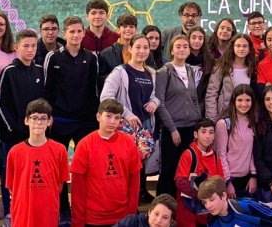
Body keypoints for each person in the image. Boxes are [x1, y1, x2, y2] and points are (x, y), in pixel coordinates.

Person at [42, 16, 100, 220]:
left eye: (79, 31)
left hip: (85, 122)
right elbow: (47, 90)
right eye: (71, 32)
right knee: (59, 170)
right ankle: (62, 209)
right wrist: (49, 118)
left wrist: (96, 117)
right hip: (60, 121)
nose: (75, 35)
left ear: (84, 33)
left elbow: (95, 89)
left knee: (87, 169)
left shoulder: (92, 58)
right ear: (64, 34)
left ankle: (84, 207)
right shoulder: (53, 57)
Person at [102, 33, 165, 204]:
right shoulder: (120, 72)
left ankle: (137, 197)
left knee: (140, 165)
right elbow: (106, 97)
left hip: (145, 125)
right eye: (138, 47)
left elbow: (156, 95)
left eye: (145, 48)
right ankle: (123, 201)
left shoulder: (151, 73)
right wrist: (127, 114)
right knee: (124, 165)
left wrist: (155, 102)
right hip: (125, 127)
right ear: (130, 49)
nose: (142, 51)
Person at [71, 99, 143, 227]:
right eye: (108, 116)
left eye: (117, 118)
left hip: (122, 217)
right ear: (98, 117)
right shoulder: (84, 145)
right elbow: (78, 188)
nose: (112, 122)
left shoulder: (129, 143)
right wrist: (78, 221)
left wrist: (130, 214)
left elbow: (135, 182)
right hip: (93, 218)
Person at [0, 29, 44, 217]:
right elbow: (0, 104)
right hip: (12, 137)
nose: (30, 49)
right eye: (26, 46)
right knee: (12, 177)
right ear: (17, 48)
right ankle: (11, 214)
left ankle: (31, 212)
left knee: (32, 177)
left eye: (33, 45)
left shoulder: (40, 71)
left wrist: (40, 128)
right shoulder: (8, 72)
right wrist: (14, 127)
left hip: (35, 137)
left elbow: (43, 103)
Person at [5, 98, 69, 227]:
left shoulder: (60, 150)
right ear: (26, 120)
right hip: (22, 215)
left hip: (48, 213)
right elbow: (12, 187)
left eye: (43, 118)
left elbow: (60, 184)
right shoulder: (15, 152)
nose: (38, 122)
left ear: (49, 121)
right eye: (34, 118)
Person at [157, 34, 203, 199]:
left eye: (185, 46)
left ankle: (181, 207)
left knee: (186, 170)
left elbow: (194, 99)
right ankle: (163, 204)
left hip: (190, 128)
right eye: (178, 46)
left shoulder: (189, 69)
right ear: (172, 50)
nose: (182, 49)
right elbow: (160, 103)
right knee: (169, 169)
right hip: (173, 129)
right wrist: (172, 128)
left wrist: (198, 123)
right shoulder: (164, 72)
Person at [198, 175, 272, 227]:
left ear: (223, 196)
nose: (208, 206)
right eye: (204, 202)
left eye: (211, 200)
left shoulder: (245, 206)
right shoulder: (212, 222)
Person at [175, 118, 223, 227]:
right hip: (188, 209)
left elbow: (220, 180)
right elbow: (180, 182)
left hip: (207, 209)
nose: (207, 136)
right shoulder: (188, 154)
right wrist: (203, 194)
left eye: (211, 132)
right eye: (203, 131)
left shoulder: (214, 155)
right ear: (195, 134)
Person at [216, 84, 260, 198]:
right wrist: (227, 182)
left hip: (247, 178)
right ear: (234, 101)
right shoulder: (224, 123)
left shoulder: (253, 121)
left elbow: (252, 151)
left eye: (247, 100)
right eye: (240, 100)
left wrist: (253, 175)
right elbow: (221, 154)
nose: (244, 104)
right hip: (230, 178)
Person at [205, 34, 259, 119]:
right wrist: (212, 119)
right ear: (232, 47)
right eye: (238, 46)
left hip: (247, 117)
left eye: (245, 46)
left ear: (249, 49)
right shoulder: (221, 67)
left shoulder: (253, 69)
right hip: (224, 116)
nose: (241, 49)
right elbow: (211, 94)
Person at [99, 14, 140, 88]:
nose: (128, 29)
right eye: (124, 26)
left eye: (131, 26)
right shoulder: (106, 54)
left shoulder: (144, 52)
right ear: (118, 30)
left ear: (136, 30)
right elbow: (101, 80)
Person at [114, 195, 178, 227]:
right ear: (149, 212)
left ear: (170, 221)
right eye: (156, 214)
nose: (158, 220)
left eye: (165, 217)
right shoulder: (131, 221)